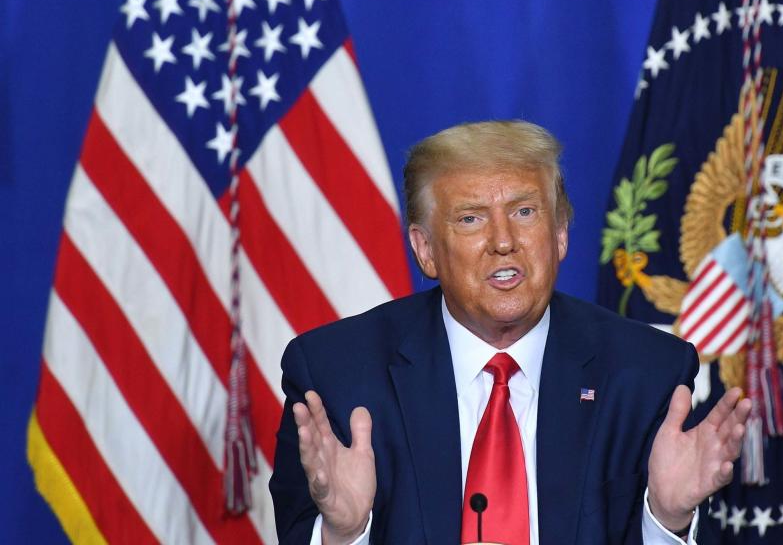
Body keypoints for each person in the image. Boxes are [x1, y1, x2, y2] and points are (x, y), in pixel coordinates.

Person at [269, 120, 750, 544]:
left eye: (525, 211)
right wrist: (343, 534)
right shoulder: (336, 376)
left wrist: (665, 521)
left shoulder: (648, 375)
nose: (503, 242)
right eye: (471, 218)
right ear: (426, 250)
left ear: (560, 232)